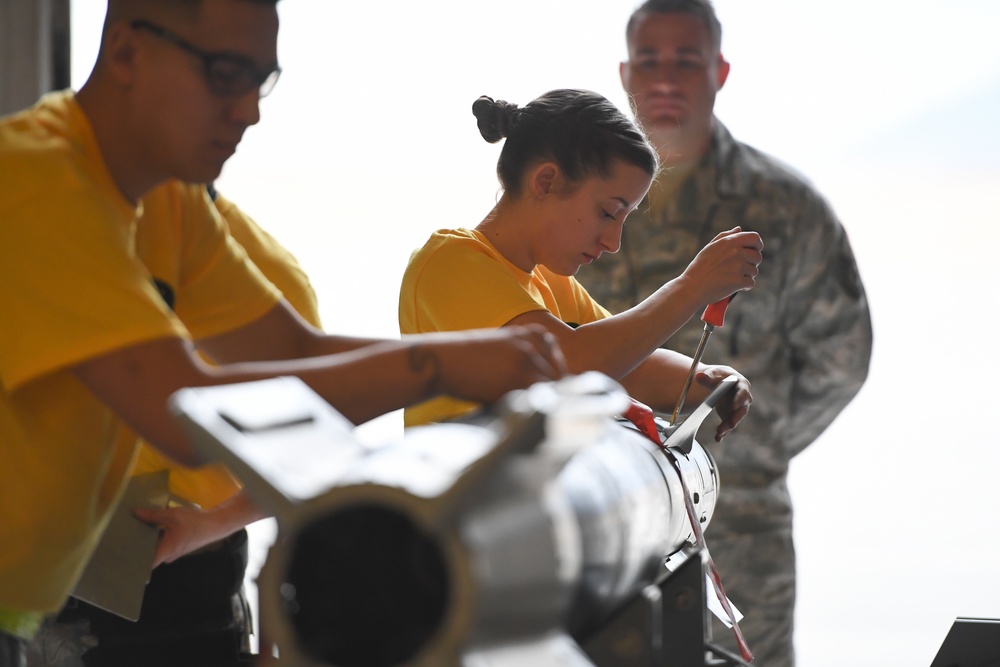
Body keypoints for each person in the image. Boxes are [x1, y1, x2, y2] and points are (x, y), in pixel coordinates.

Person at [0, 1, 568, 665]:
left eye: (260, 80)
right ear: (126, 51)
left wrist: (469, 353)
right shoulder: (40, 184)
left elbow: (291, 351)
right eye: (223, 73)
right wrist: (443, 366)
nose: (249, 111)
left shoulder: (168, 198)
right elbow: (184, 411)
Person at [574, 2, 874, 664]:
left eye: (688, 61)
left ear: (721, 71)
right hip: (593, 525)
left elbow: (841, 357)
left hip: (739, 536)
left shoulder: (782, 204)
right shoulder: (571, 203)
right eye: (649, 61)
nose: (666, 79)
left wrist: (751, 448)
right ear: (624, 73)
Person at [25, 184, 321, 667]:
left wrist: (213, 523)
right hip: (37, 565)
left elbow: (304, 457)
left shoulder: (265, 275)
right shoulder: (59, 225)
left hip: (174, 578)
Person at [399, 88, 763, 439]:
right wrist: (693, 286)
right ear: (545, 182)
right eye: (607, 212)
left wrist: (712, 379)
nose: (613, 243)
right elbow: (573, 366)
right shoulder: (450, 264)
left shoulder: (551, 283)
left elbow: (628, 366)